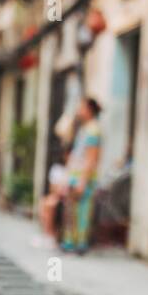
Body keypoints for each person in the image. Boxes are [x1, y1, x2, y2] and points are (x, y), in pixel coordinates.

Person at [62, 97, 102, 253]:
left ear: (89, 110)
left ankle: (80, 244)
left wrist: (82, 181)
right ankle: (70, 242)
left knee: (82, 212)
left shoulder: (93, 130)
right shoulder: (84, 128)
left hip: (83, 178)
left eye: (82, 107)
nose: (79, 110)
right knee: (72, 210)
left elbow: (92, 158)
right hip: (75, 176)